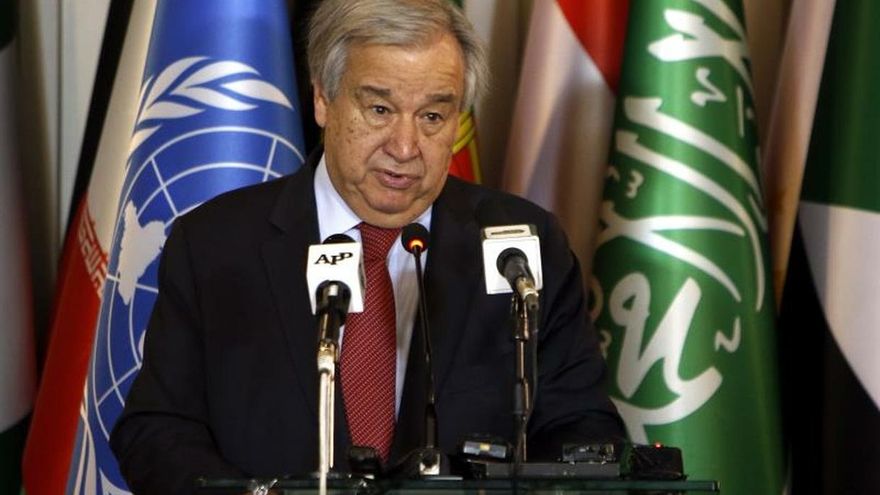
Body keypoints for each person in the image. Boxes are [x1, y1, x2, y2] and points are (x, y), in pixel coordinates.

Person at [110, 0, 624, 492]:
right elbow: (157, 431)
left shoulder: (525, 247)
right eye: (379, 109)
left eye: (432, 117)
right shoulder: (216, 245)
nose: (404, 148)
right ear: (322, 99)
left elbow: (583, 428)